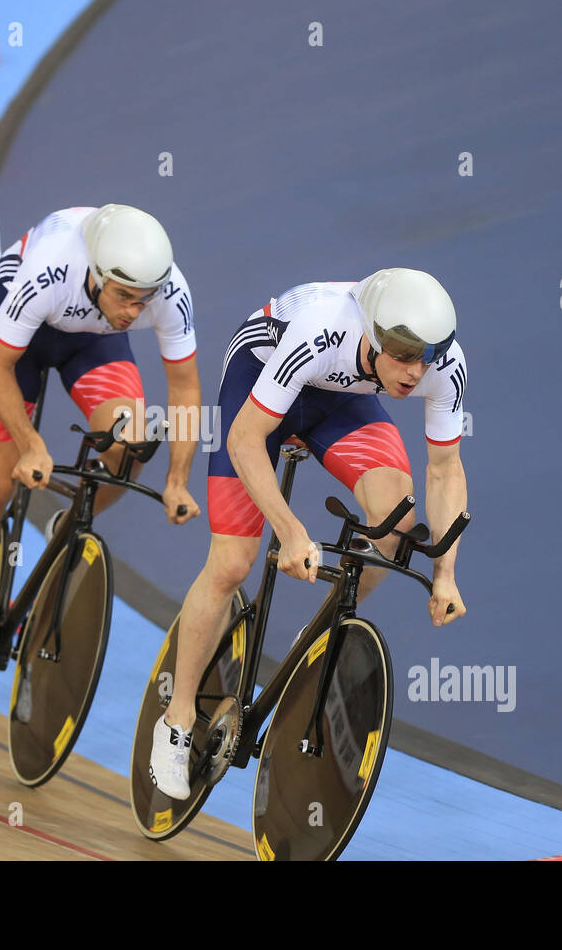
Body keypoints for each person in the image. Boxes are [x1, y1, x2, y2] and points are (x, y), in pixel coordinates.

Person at [147, 269, 470, 799]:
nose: (415, 373)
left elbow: (445, 470)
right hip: (261, 379)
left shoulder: (441, 365)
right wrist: (291, 531)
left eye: (426, 358)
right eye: (403, 356)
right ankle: (177, 720)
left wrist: (446, 573)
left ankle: (313, 643)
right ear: (371, 333)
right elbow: (246, 439)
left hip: (339, 400)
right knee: (231, 563)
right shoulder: (324, 328)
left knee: (396, 526)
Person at [0, 204, 203, 713]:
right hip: (18, 344)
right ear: (96, 274)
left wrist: (179, 478)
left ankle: (72, 518)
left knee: (132, 442)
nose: (134, 313)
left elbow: (184, 388)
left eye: (144, 302)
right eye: (124, 298)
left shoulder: (165, 289)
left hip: (91, 345)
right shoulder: (48, 269)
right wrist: (31, 443)